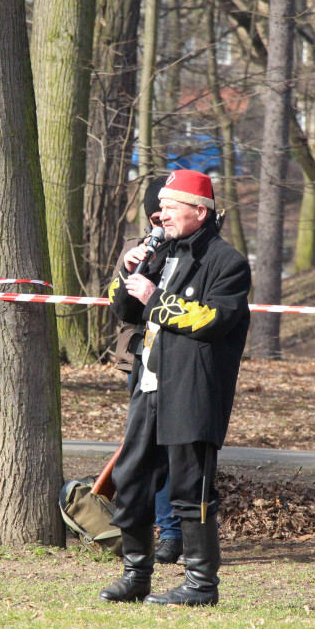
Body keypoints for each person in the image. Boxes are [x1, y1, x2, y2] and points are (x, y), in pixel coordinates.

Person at [99, 169, 250, 606]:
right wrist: (129, 274)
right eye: (160, 206)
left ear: (199, 212)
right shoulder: (159, 251)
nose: (160, 214)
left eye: (170, 207)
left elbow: (211, 321)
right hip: (148, 385)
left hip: (193, 390)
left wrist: (155, 299)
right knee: (131, 481)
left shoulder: (228, 262)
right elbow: (126, 311)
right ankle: (136, 575)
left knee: (191, 488)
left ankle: (201, 585)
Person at [113, 176, 184, 565]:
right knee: (145, 451)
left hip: (179, 360)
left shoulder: (201, 250)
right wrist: (134, 268)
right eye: (155, 216)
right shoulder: (136, 246)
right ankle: (150, 533)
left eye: (168, 213)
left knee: (178, 451)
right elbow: (120, 305)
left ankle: (176, 532)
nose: (162, 222)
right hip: (139, 358)